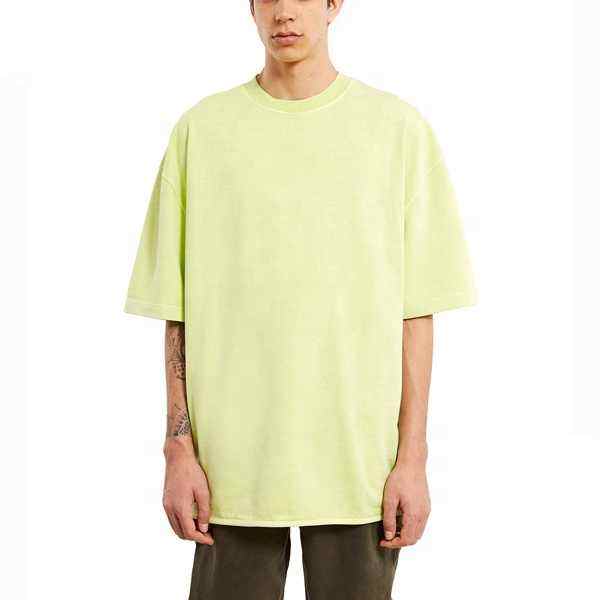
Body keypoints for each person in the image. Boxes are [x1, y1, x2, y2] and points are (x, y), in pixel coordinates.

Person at [123, 1, 477, 598]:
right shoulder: (202, 131)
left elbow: (416, 313)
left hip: (359, 463)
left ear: (334, 4)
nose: (285, 13)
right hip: (231, 467)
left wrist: (412, 459)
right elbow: (175, 309)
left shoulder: (396, 130)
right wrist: (177, 448)